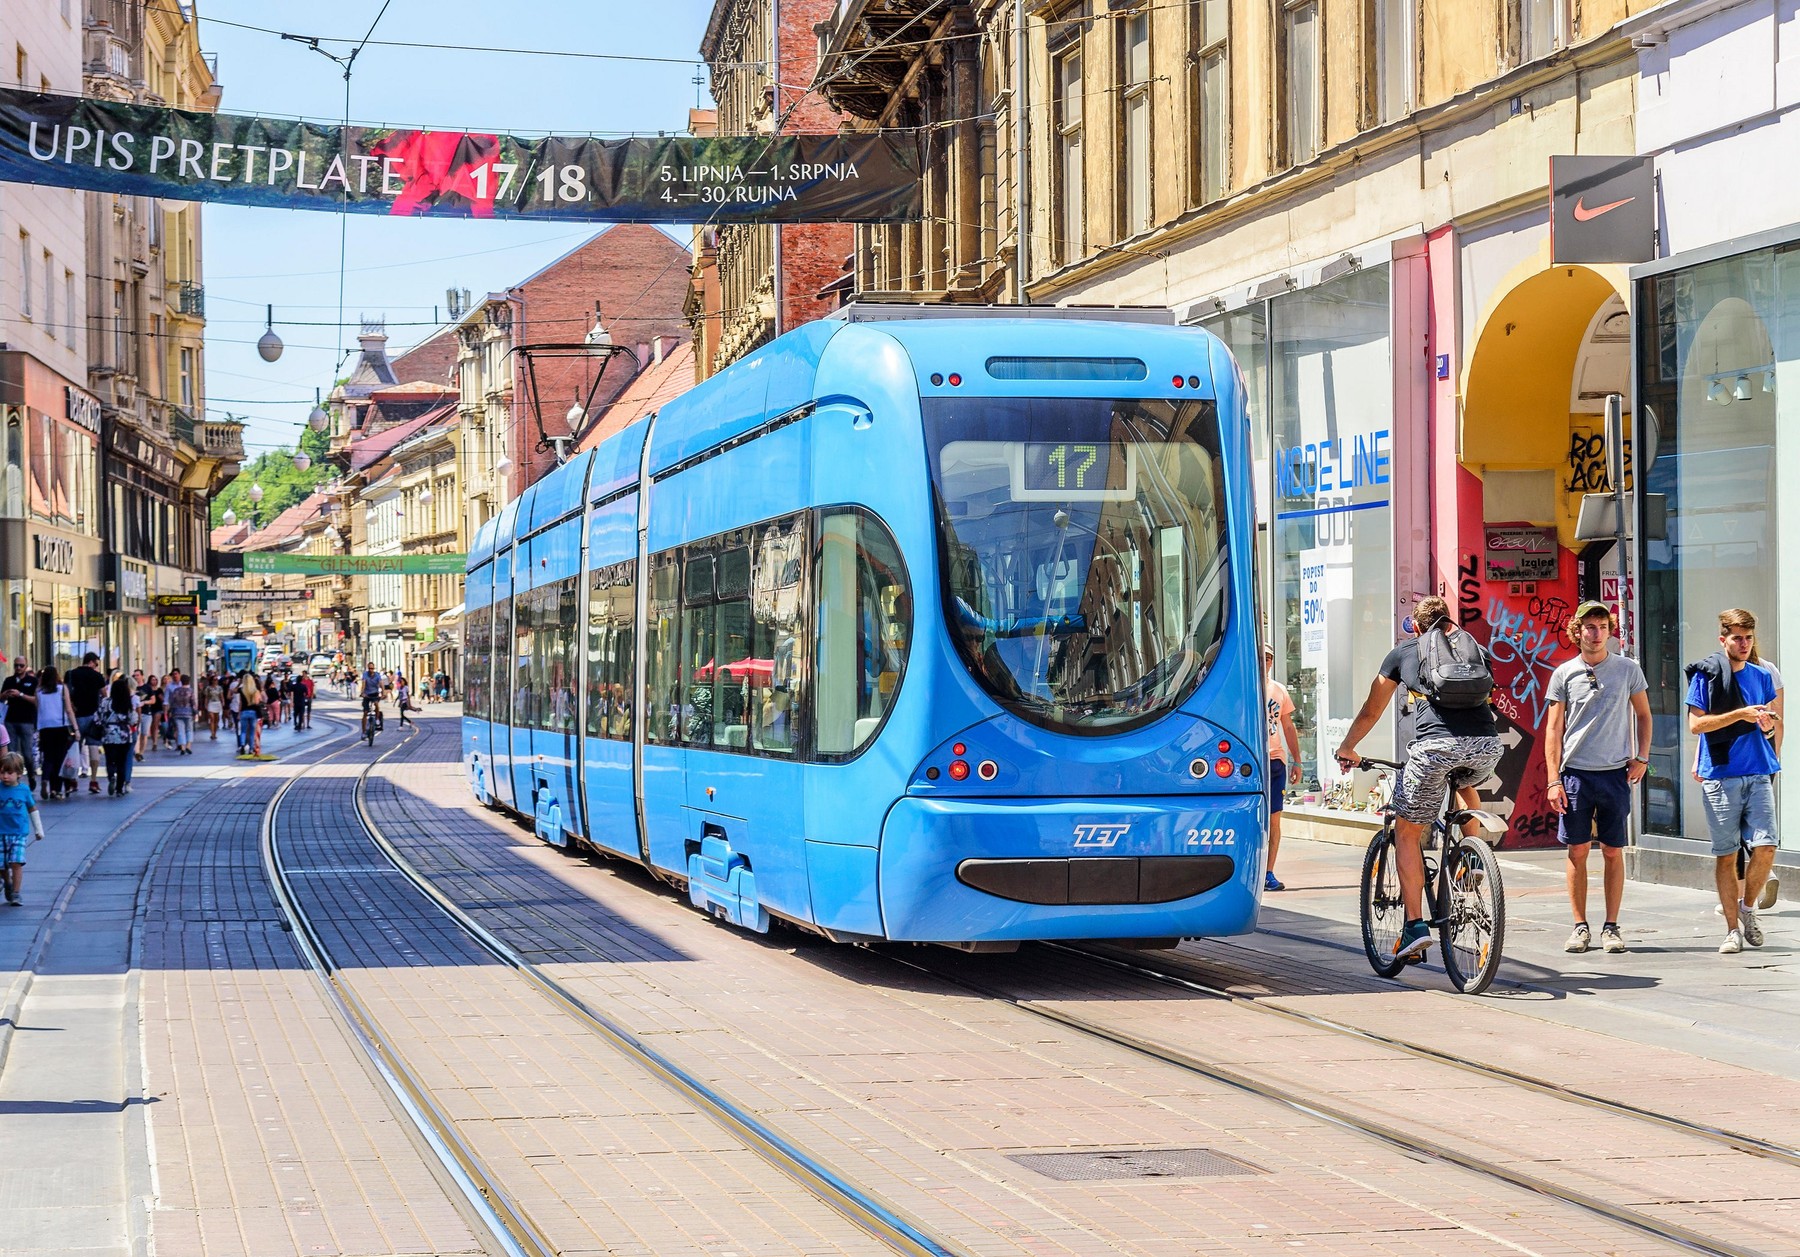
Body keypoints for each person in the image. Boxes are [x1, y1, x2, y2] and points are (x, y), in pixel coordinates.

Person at [1335, 595, 1504, 962]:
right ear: (1449, 622)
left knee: (1407, 832)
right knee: (1462, 781)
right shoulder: (1473, 648)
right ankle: (1472, 857)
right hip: (1487, 745)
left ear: (1415, 625)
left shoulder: (1404, 653)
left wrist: (1348, 746)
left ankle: (1413, 927)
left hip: (1434, 750)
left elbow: (1372, 709)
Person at [1543, 601, 1652, 954]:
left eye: (1602, 626)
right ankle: (1579, 926)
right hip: (1575, 774)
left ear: (1610, 630)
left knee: (1612, 850)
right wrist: (1553, 779)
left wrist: (1642, 758)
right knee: (1576, 850)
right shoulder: (1564, 674)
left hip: (1614, 773)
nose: (1595, 632)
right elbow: (1554, 729)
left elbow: (1645, 715)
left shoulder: (1627, 669)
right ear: (1578, 631)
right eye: (1589, 626)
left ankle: (1611, 926)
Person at [1686, 608, 1783, 954]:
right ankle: (1731, 930)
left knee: (1767, 845)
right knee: (1726, 855)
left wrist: (1766, 724)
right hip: (1721, 775)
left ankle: (1747, 909)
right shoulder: (1707, 675)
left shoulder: (1761, 676)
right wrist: (1740, 714)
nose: (1744, 644)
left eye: (1749, 638)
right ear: (1723, 638)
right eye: (1737, 637)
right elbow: (1696, 726)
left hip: (1758, 770)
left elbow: (1770, 722)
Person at [1264, 643, 1302, 892]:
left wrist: (1297, 760)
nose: (1266, 661)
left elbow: (1288, 726)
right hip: (1251, 760)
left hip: (1275, 760)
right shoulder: (1242, 687)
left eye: (1269, 657)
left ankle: (1268, 872)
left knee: (1274, 820)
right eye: (1262, 656)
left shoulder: (1278, 690)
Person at [0, 751, 45, 906]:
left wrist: (38, 829)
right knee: (1, 865)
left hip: (18, 833)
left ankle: (16, 893)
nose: (5, 776)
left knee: (16, 862)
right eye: (2, 772)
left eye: (9, 772)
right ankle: (7, 882)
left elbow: (32, 808)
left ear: (19, 773)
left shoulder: (24, 790)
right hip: (1, 833)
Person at [35, 665, 79, 801]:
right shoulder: (62, 689)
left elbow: (38, 709)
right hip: (60, 726)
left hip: (45, 727)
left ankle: (45, 779)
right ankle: (56, 790)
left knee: (48, 757)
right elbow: (69, 710)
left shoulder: (38, 691)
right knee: (59, 759)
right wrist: (76, 728)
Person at [66, 652, 107, 795]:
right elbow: (104, 694)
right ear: (91, 662)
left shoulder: (70, 674)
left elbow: (66, 694)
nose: (96, 667)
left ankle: (73, 780)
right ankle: (94, 780)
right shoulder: (97, 676)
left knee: (73, 750)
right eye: (96, 664)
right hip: (92, 716)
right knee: (93, 748)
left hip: (75, 716)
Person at [2, 659, 40, 793]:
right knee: (11, 753)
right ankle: (14, 780)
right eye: (16, 665)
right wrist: (5, 695)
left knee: (27, 753)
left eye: (21, 666)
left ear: (26, 666)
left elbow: (36, 700)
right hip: (10, 720)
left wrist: (21, 695)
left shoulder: (33, 681)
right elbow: (1, 698)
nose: (18, 668)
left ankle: (31, 774)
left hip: (27, 721)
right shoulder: (9, 680)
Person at [96, 677, 139, 795]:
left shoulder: (105, 702)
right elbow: (133, 720)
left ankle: (111, 777)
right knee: (122, 762)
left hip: (108, 735)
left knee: (110, 760)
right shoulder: (127, 703)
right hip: (124, 735)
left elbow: (98, 717)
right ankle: (119, 789)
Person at [235, 671, 263, 759]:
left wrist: (239, 713)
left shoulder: (241, 690)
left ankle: (242, 746)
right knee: (251, 732)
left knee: (243, 731)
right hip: (253, 712)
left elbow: (239, 702)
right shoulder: (255, 691)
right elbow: (258, 701)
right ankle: (251, 748)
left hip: (244, 712)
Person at [135, 674, 163, 762]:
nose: (136, 677)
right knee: (137, 733)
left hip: (146, 713)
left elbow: (153, 700)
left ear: (142, 676)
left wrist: (144, 702)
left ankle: (141, 753)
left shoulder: (147, 688)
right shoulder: (132, 687)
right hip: (135, 714)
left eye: (138, 675)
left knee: (144, 734)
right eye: (134, 675)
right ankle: (137, 752)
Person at [168, 672, 196, 755]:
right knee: (189, 730)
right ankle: (188, 746)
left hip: (177, 713)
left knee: (180, 731)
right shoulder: (190, 691)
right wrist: (196, 712)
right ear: (189, 681)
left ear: (181, 681)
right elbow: (193, 703)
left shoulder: (176, 690)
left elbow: (172, 702)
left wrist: (171, 711)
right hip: (188, 713)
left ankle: (182, 747)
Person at [201, 672, 223, 740]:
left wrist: (223, 702)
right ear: (211, 680)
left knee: (216, 719)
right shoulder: (208, 688)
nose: (215, 681)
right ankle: (212, 733)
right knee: (212, 718)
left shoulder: (219, 688)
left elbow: (221, 696)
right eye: (214, 679)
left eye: (216, 680)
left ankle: (215, 733)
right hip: (211, 703)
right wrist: (205, 704)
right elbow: (206, 697)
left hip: (217, 703)